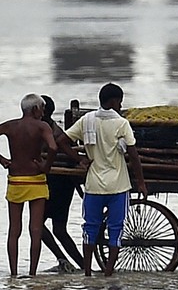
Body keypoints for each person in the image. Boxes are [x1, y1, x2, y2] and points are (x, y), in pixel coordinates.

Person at [58, 82, 147, 277]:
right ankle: (108, 273)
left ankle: (88, 273)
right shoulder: (121, 123)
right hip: (118, 186)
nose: (121, 106)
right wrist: (140, 182)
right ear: (114, 101)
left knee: (90, 228)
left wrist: (79, 159)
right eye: (120, 102)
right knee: (115, 230)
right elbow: (133, 155)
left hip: (94, 185)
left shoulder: (86, 120)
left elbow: (62, 142)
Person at [0, 94, 65, 278]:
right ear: (35, 109)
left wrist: (1, 159)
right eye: (42, 108)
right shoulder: (42, 126)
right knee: (35, 229)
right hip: (36, 179)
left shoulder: (10, 125)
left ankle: (14, 273)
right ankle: (32, 273)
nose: (43, 112)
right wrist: (46, 166)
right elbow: (54, 147)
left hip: (15, 179)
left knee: (14, 229)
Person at [39, 95, 84, 273]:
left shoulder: (49, 131)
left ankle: (65, 260)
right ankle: (81, 265)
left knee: (37, 225)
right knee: (58, 229)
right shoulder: (50, 128)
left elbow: (50, 150)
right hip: (63, 182)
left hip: (57, 182)